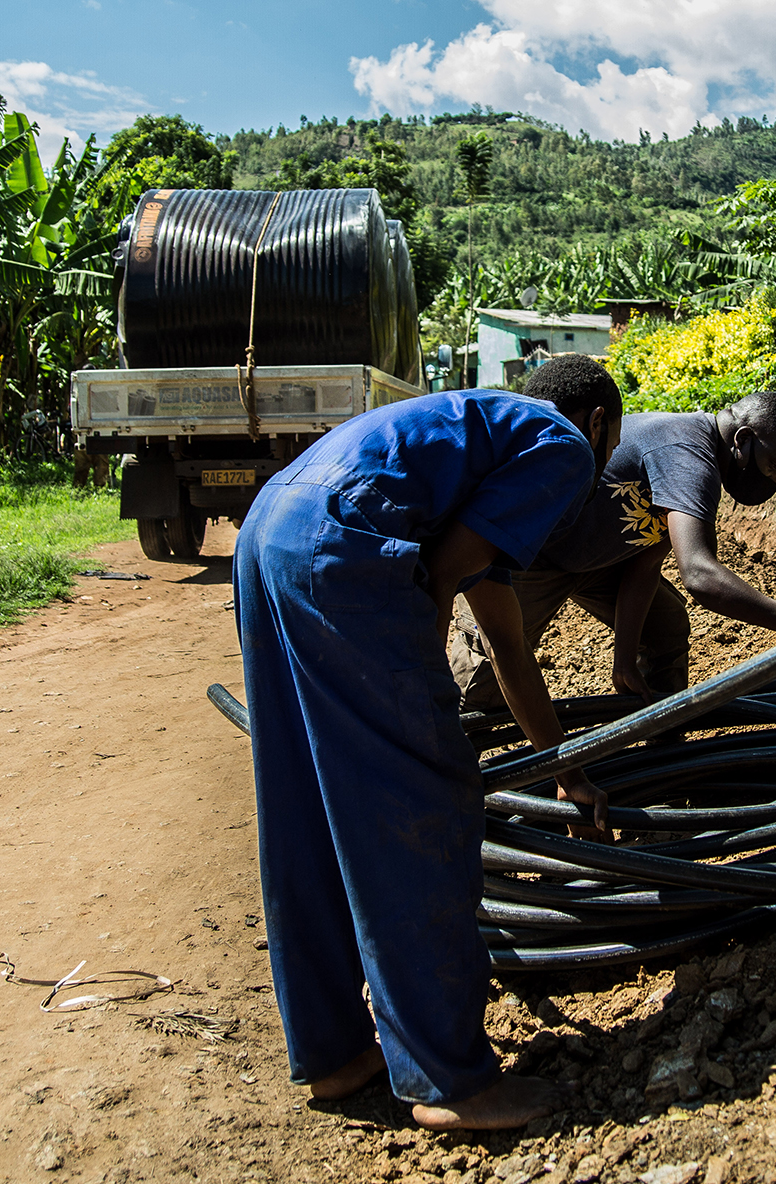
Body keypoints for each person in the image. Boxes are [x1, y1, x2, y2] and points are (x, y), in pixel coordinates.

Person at [233, 356, 622, 1131]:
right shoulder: (564, 446)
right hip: (342, 544)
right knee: (421, 802)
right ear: (602, 425)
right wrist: (414, 699)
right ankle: (450, 1081)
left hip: (269, 530)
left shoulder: (465, 447)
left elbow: (508, 649)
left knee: (307, 800)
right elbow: (442, 582)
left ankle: (338, 1054)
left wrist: (566, 770)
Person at [452, 390, 776, 706]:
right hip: (532, 556)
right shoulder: (687, 453)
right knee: (487, 666)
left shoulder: (698, 461)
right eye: (773, 465)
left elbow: (643, 567)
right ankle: (453, 757)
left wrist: (625, 660)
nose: (771, 479)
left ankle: (659, 738)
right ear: (741, 440)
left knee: (666, 624)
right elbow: (699, 575)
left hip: (595, 560)